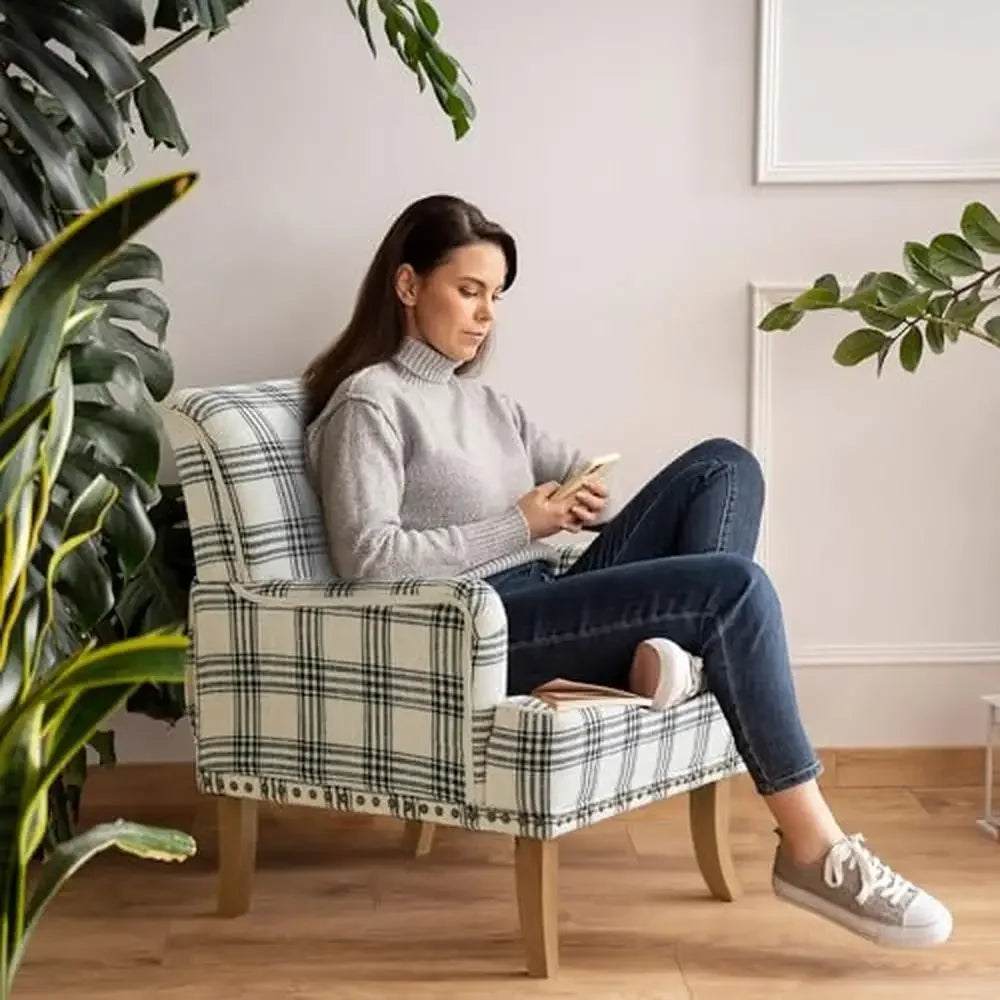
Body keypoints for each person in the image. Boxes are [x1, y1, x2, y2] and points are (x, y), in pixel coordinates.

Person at [303, 194, 952, 950]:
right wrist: (522, 524)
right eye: (469, 291)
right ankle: (813, 849)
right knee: (735, 590)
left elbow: (573, 475)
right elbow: (367, 559)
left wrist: (580, 495)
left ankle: (672, 656)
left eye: (497, 296)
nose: (487, 315)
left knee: (724, 466)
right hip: (484, 630)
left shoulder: (486, 402)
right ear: (409, 285)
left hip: (550, 591)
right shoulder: (368, 404)